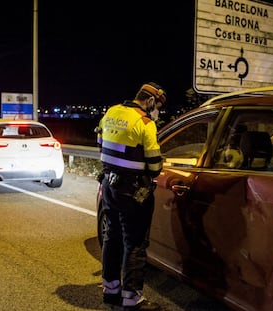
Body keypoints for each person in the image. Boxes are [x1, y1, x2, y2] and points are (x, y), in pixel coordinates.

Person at [96, 82, 166, 311]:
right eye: (158, 107)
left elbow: (101, 145)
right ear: (151, 101)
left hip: (108, 184)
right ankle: (131, 299)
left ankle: (110, 290)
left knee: (111, 236)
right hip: (133, 192)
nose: (157, 111)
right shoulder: (145, 123)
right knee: (134, 243)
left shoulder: (112, 112)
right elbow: (155, 166)